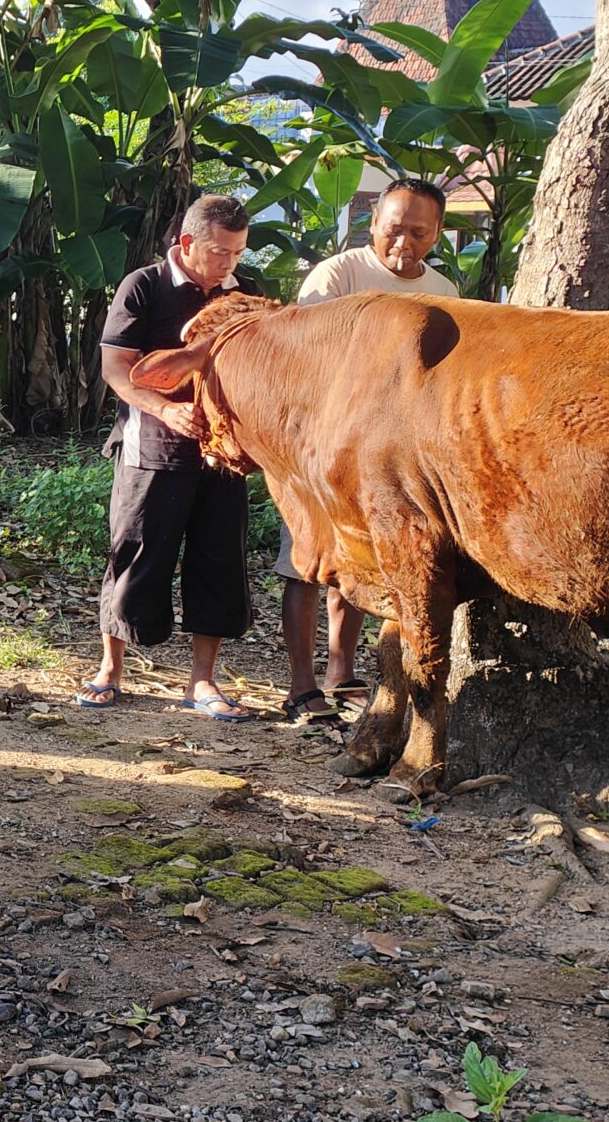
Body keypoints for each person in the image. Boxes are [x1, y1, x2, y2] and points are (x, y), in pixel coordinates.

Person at [277, 178, 459, 722]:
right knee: (305, 563)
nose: (403, 241)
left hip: (397, 457)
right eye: (393, 228)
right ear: (374, 222)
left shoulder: (444, 293)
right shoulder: (339, 275)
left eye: (418, 232)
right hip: (323, 446)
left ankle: (342, 670)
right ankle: (301, 685)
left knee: (367, 561)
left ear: (437, 234)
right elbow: (303, 351)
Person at [81, 193, 259, 719]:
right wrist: (166, 409)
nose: (230, 265)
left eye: (238, 253)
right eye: (220, 253)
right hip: (150, 450)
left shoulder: (246, 295)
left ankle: (202, 681)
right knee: (136, 557)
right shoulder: (144, 286)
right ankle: (110, 668)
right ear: (186, 244)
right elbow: (117, 370)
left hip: (224, 454)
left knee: (218, 562)